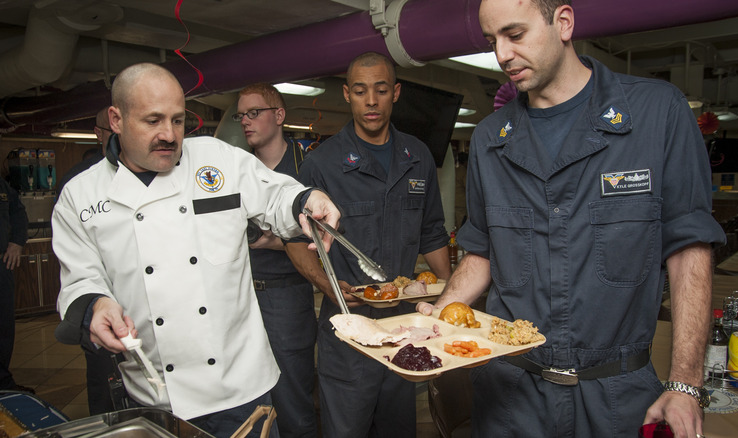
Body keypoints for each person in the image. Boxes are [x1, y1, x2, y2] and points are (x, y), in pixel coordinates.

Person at [417, 1, 726, 437]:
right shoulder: (490, 139)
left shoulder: (656, 114)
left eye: (515, 35)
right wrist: (442, 313)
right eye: (492, 42)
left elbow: (688, 248)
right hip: (511, 397)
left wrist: (686, 384)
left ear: (562, 23)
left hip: (616, 396)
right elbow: (482, 252)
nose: (502, 54)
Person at [52, 62, 341, 438]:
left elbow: (278, 196)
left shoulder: (217, 158)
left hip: (241, 385)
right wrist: (95, 304)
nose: (169, 136)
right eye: (153, 121)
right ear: (116, 119)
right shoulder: (80, 195)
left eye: (177, 120)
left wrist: (308, 198)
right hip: (155, 392)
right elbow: (79, 278)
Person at [286, 51, 451, 438]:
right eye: (361, 91)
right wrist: (330, 288)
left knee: (397, 429)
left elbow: (432, 232)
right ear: (347, 95)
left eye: (380, 90)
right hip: (348, 332)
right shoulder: (321, 164)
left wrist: (450, 298)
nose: (371, 101)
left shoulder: (418, 157)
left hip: (404, 327)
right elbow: (294, 241)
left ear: (395, 93)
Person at [235, 83, 318, 438]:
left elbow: (320, 239)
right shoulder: (237, 171)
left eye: (254, 113)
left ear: (279, 115)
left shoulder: (307, 169)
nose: (245, 122)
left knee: (293, 397)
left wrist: (274, 242)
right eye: (241, 116)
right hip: (241, 298)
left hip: (286, 296)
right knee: (250, 400)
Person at [56, 106, 120, 415]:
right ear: (99, 133)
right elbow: (73, 251)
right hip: (100, 303)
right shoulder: (77, 183)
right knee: (105, 388)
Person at [0, 177, 29, 393]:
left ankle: (3, 383)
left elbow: (18, 212)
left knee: (4, 326)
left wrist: (17, 241)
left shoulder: (2, 185)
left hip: (1, 265)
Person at [56, 107, 111, 199]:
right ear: (99, 133)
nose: (120, 135)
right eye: (113, 130)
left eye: (124, 129)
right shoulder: (74, 180)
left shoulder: (140, 171)